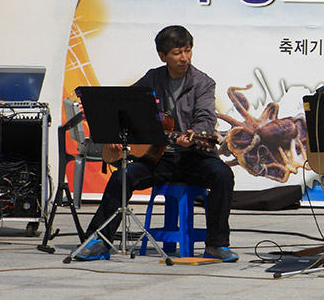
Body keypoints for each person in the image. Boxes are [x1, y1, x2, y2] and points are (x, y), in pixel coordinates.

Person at [74, 25, 239, 262]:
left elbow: (206, 118)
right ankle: (99, 240)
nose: (184, 58)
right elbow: (125, 106)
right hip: (157, 158)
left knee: (222, 175)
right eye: (177, 53)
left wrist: (195, 135)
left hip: (195, 156)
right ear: (163, 56)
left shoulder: (203, 83)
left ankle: (217, 244)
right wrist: (117, 133)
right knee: (122, 177)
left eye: (188, 51)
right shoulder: (152, 78)